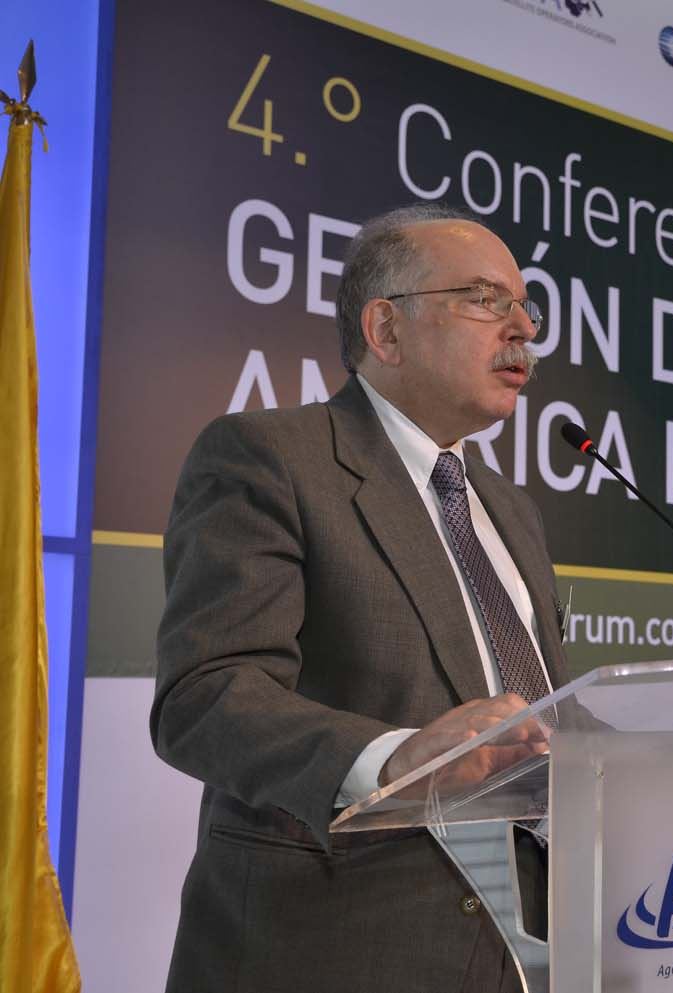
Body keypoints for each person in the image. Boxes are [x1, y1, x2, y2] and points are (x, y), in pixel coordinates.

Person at [151, 203, 565, 993]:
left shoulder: (513, 510)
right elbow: (204, 696)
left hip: (527, 953)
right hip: (336, 949)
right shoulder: (270, 458)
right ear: (386, 329)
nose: (522, 330)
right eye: (486, 299)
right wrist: (395, 758)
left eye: (525, 306)